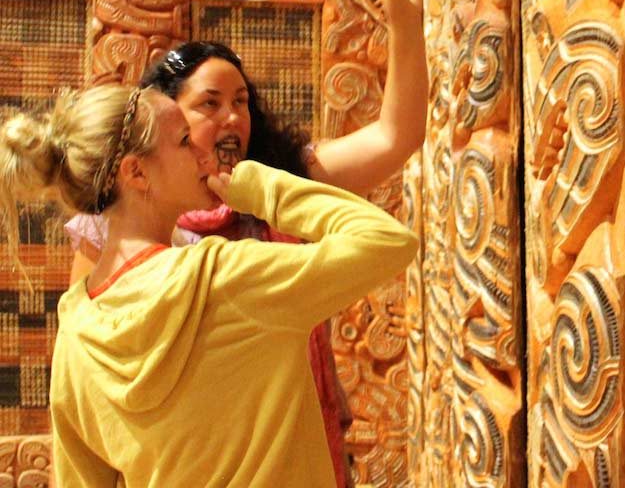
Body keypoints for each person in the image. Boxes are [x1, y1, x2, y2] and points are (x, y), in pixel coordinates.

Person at [61, 0, 426, 486]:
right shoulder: (192, 257)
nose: (233, 117)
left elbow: (393, 138)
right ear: (164, 123)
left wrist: (407, 20)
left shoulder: (279, 180)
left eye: (242, 101)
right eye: (208, 106)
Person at [0, 83, 417, 486]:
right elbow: (386, 241)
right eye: (184, 140)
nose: (203, 152)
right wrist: (263, 188)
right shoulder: (227, 280)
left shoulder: (76, 335)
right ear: (136, 172)